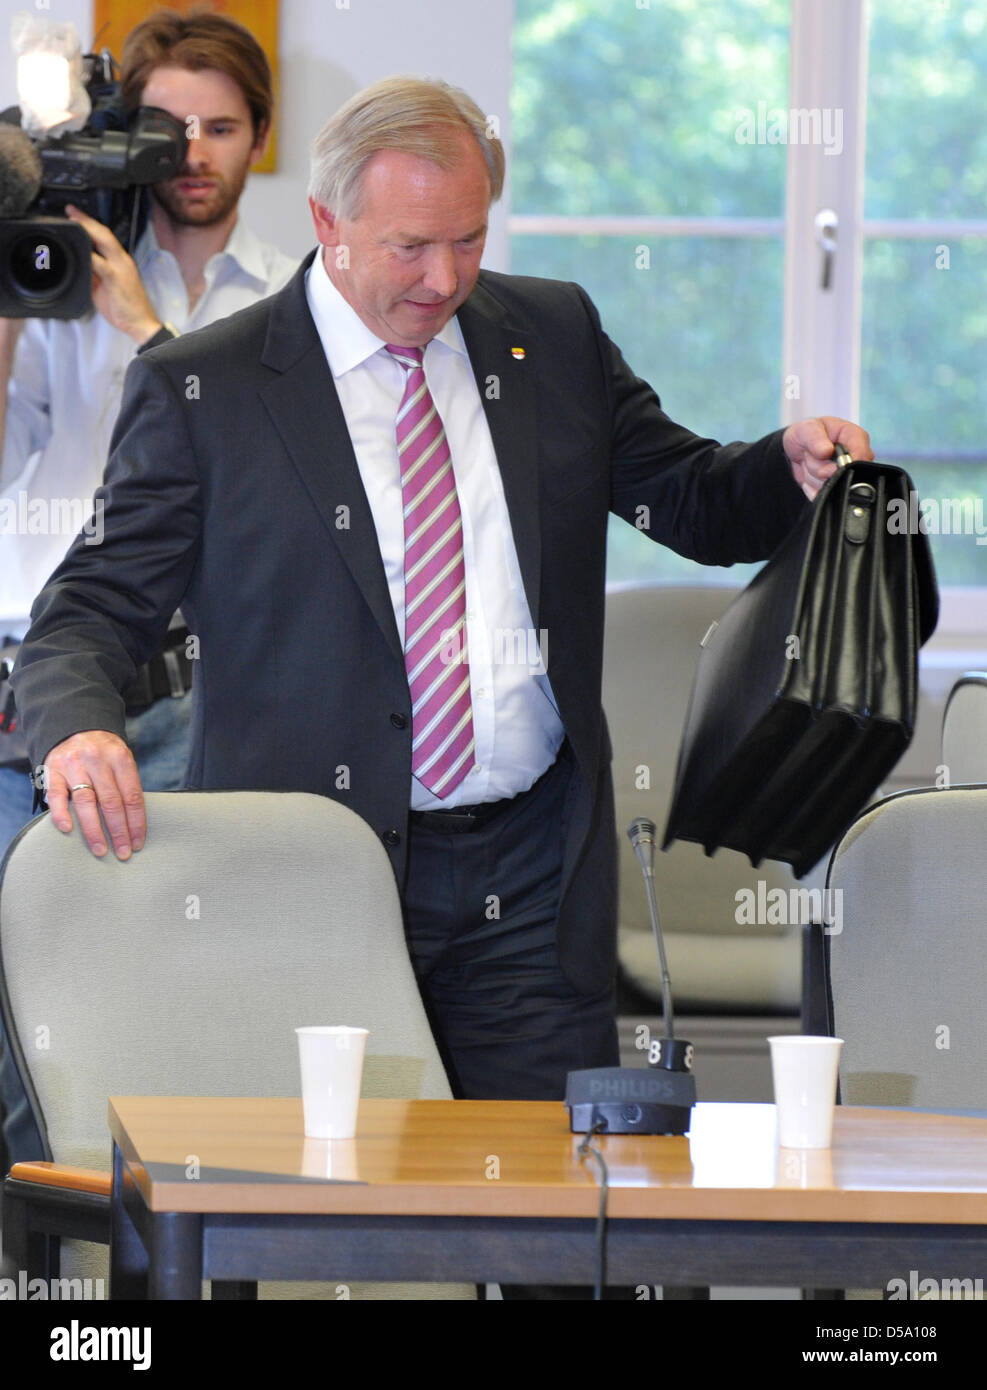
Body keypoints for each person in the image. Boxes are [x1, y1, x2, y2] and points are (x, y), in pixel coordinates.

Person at [12, 75, 872, 1111]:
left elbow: (687, 499)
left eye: (468, 239)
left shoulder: (549, 334)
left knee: (553, 1230)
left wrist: (785, 466)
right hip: (310, 880)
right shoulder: (212, 388)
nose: (445, 277)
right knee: (331, 1226)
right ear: (328, 222)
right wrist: (77, 729)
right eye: (410, 246)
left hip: (532, 879)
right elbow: (92, 604)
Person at [0, 8, 298, 1173]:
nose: (191, 154)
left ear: (260, 138)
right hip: (32, 677)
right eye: (166, 127)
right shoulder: (50, 279)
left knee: (156, 1015)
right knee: (21, 1034)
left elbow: (268, 491)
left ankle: (153, 1277)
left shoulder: (291, 300)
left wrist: (146, 330)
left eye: (219, 128)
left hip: (185, 702)